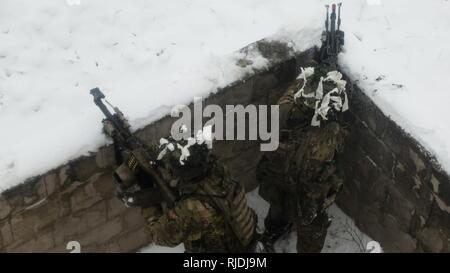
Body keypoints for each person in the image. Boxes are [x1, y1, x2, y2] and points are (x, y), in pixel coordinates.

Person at [257, 61, 349, 252]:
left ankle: (271, 234)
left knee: (278, 212)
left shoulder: (284, 110)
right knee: (310, 235)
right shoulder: (329, 133)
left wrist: (313, 75)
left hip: (281, 180)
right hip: (305, 194)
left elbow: (290, 95)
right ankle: (274, 233)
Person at [139, 137, 258, 253]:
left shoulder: (191, 208)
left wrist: (148, 200)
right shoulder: (220, 173)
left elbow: (157, 235)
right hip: (246, 244)